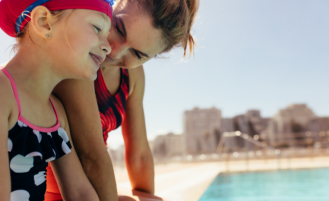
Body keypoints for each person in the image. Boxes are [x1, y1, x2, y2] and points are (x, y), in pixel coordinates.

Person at [48, 0, 199, 200]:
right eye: (118, 29)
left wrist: (148, 196)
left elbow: (139, 154)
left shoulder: (133, 76)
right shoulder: (79, 54)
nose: (115, 51)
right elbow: (90, 155)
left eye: (137, 54)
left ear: (152, 57)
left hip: (87, 190)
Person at [0, 0, 113, 200]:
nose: (108, 47)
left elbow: (80, 193)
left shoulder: (56, 113)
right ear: (44, 22)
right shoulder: (3, 93)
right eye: (97, 28)